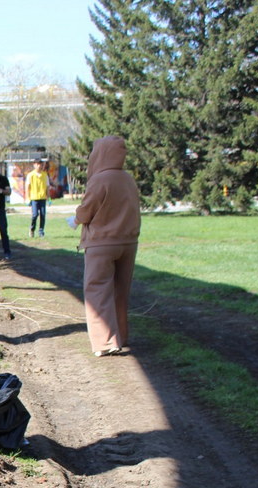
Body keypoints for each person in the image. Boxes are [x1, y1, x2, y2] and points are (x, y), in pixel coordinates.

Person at [72, 135, 141, 357]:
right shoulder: (128, 179)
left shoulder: (100, 180)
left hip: (101, 243)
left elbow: (86, 211)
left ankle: (105, 341)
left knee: (97, 291)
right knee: (121, 291)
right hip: (128, 242)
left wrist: (75, 218)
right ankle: (121, 334)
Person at [27, 158, 49, 238]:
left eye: (41, 164)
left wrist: (48, 198)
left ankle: (41, 231)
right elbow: (28, 187)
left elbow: (47, 187)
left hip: (42, 197)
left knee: (43, 215)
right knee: (35, 215)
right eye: (38, 164)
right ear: (34, 165)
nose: (39, 166)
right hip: (34, 198)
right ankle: (32, 229)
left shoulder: (45, 175)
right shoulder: (30, 175)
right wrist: (28, 198)